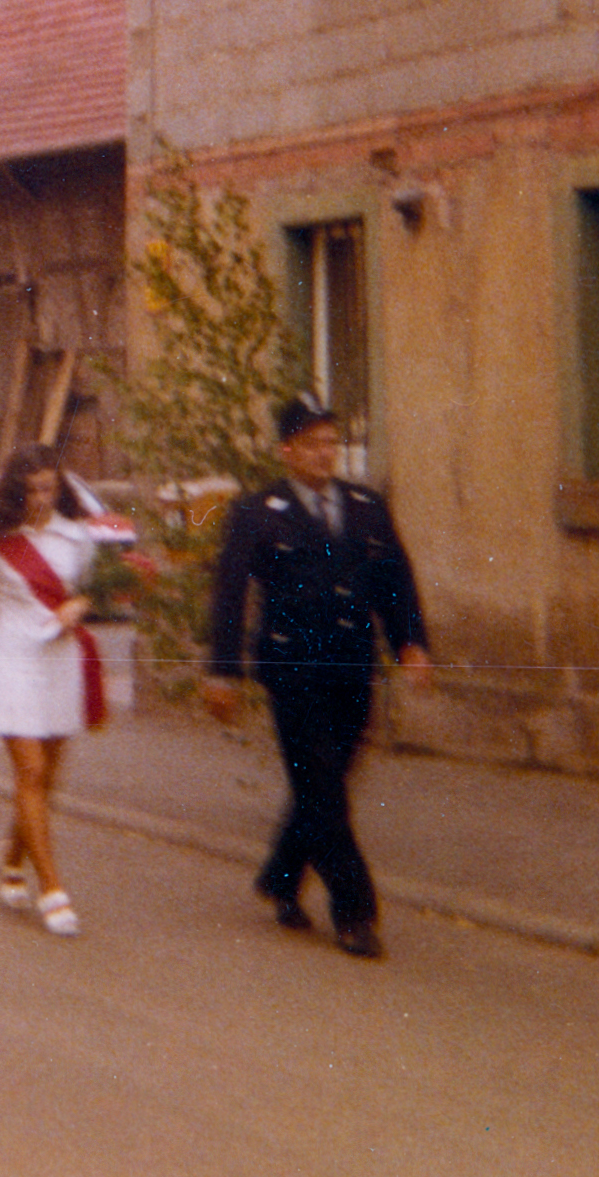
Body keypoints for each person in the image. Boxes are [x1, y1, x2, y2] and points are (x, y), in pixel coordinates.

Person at [203, 392, 433, 960]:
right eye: (312, 444)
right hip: (291, 670)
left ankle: (282, 876)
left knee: (327, 780)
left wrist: (411, 642)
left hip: (352, 665)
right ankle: (355, 912)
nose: (324, 453)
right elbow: (230, 596)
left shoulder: (365, 506)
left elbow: (395, 578)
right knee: (323, 788)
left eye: (331, 442)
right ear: (287, 451)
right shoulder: (258, 512)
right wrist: (223, 672)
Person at [0, 443, 102, 937]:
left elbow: (98, 588)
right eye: (30, 489)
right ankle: (52, 890)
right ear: (16, 490)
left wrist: (81, 605)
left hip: (59, 661)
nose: (39, 498)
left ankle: (12, 858)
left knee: (44, 780)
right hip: (10, 659)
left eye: (48, 488)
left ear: (61, 487)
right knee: (29, 771)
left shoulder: (78, 538)